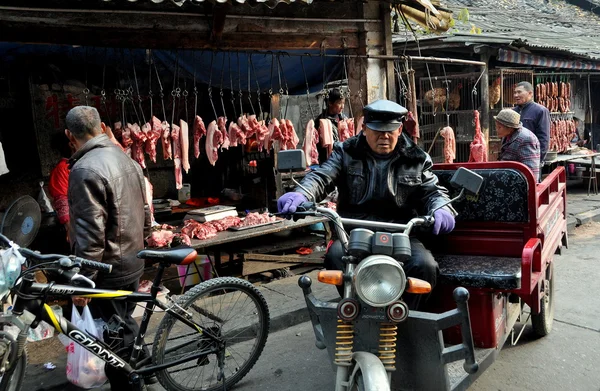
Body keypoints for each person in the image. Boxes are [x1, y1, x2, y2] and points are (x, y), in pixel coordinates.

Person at [278, 100, 456, 309]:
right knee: (336, 257)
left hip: (401, 234)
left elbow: (432, 191)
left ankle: (405, 317)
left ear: (400, 129)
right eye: (377, 130)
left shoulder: (416, 158)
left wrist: (441, 207)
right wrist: (301, 193)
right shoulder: (346, 152)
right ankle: (355, 311)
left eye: (390, 130)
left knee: (425, 266)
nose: (384, 136)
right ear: (364, 129)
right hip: (354, 233)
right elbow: (322, 176)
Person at [64, 106, 151, 388]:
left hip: (110, 267)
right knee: (124, 319)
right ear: (102, 128)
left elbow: (91, 234)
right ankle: (147, 367)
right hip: (133, 258)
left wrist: (83, 282)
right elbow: (146, 212)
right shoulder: (125, 159)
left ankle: (130, 382)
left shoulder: (84, 169)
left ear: (69, 135)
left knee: (115, 337)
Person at [495, 109, 541, 181]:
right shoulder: (507, 134)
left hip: (519, 183)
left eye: (499, 127)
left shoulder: (526, 139)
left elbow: (531, 172)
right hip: (507, 176)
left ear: (510, 128)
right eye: (496, 126)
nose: (496, 130)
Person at [513, 82, 550, 165]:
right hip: (514, 160)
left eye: (519, 92)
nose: (516, 95)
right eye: (515, 92)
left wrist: (537, 160)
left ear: (530, 93)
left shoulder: (540, 111)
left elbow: (544, 139)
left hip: (532, 159)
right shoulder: (513, 112)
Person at [315, 88, 348, 164]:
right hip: (327, 161)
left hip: (343, 159)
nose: (342, 106)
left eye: (343, 103)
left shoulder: (343, 119)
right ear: (330, 103)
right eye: (339, 103)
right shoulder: (320, 122)